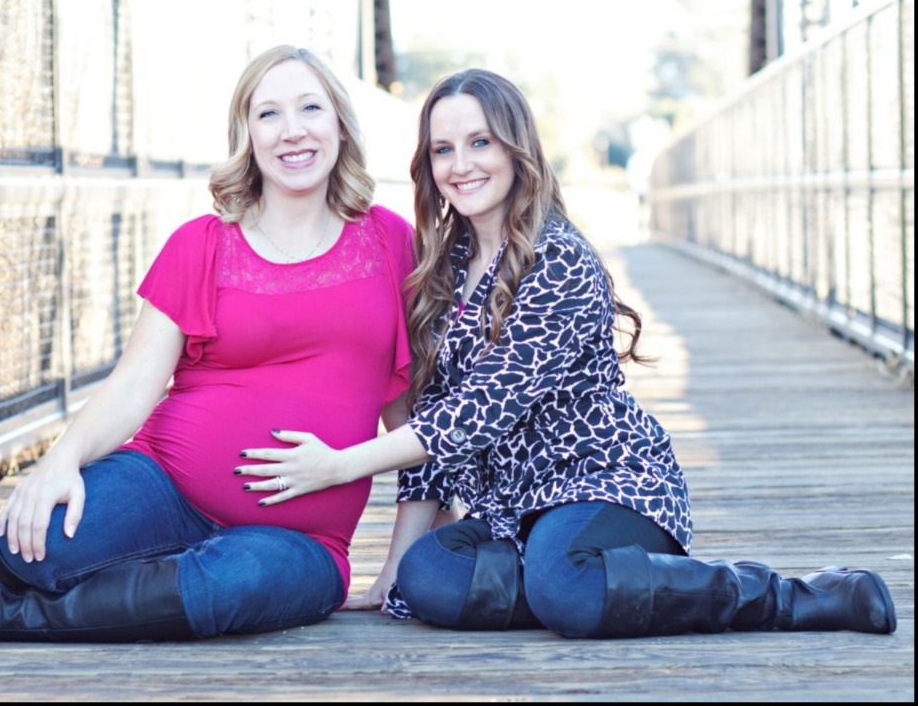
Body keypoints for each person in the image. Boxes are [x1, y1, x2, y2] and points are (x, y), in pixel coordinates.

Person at [233, 68, 897, 638]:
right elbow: (431, 429)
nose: (460, 164)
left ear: (516, 148)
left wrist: (340, 466)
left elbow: (476, 415)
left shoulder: (559, 259)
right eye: (443, 149)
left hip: (604, 481)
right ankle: (588, 591)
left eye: (479, 142)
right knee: (425, 580)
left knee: (563, 580)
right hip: (508, 509)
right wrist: (388, 576)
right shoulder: (442, 265)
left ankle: (789, 597)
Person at [0, 45, 448, 646]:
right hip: (166, 484)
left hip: (299, 540)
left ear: (340, 125)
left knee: (231, 585)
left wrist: (402, 557)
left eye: (309, 108)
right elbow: (134, 385)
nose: (291, 131)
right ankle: (1, 583)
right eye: (268, 114)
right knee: (31, 547)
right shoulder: (201, 244)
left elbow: (415, 419)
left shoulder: (389, 243)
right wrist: (59, 462)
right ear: (246, 134)